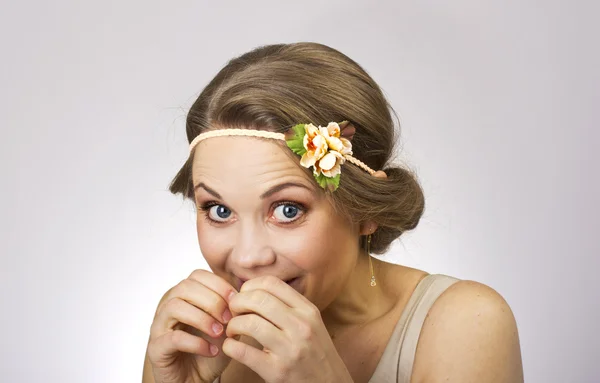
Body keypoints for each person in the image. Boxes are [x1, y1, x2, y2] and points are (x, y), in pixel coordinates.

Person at [142, 42, 524, 383]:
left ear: (366, 211)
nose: (247, 257)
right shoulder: (192, 329)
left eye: (287, 210)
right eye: (219, 210)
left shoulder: (464, 324)